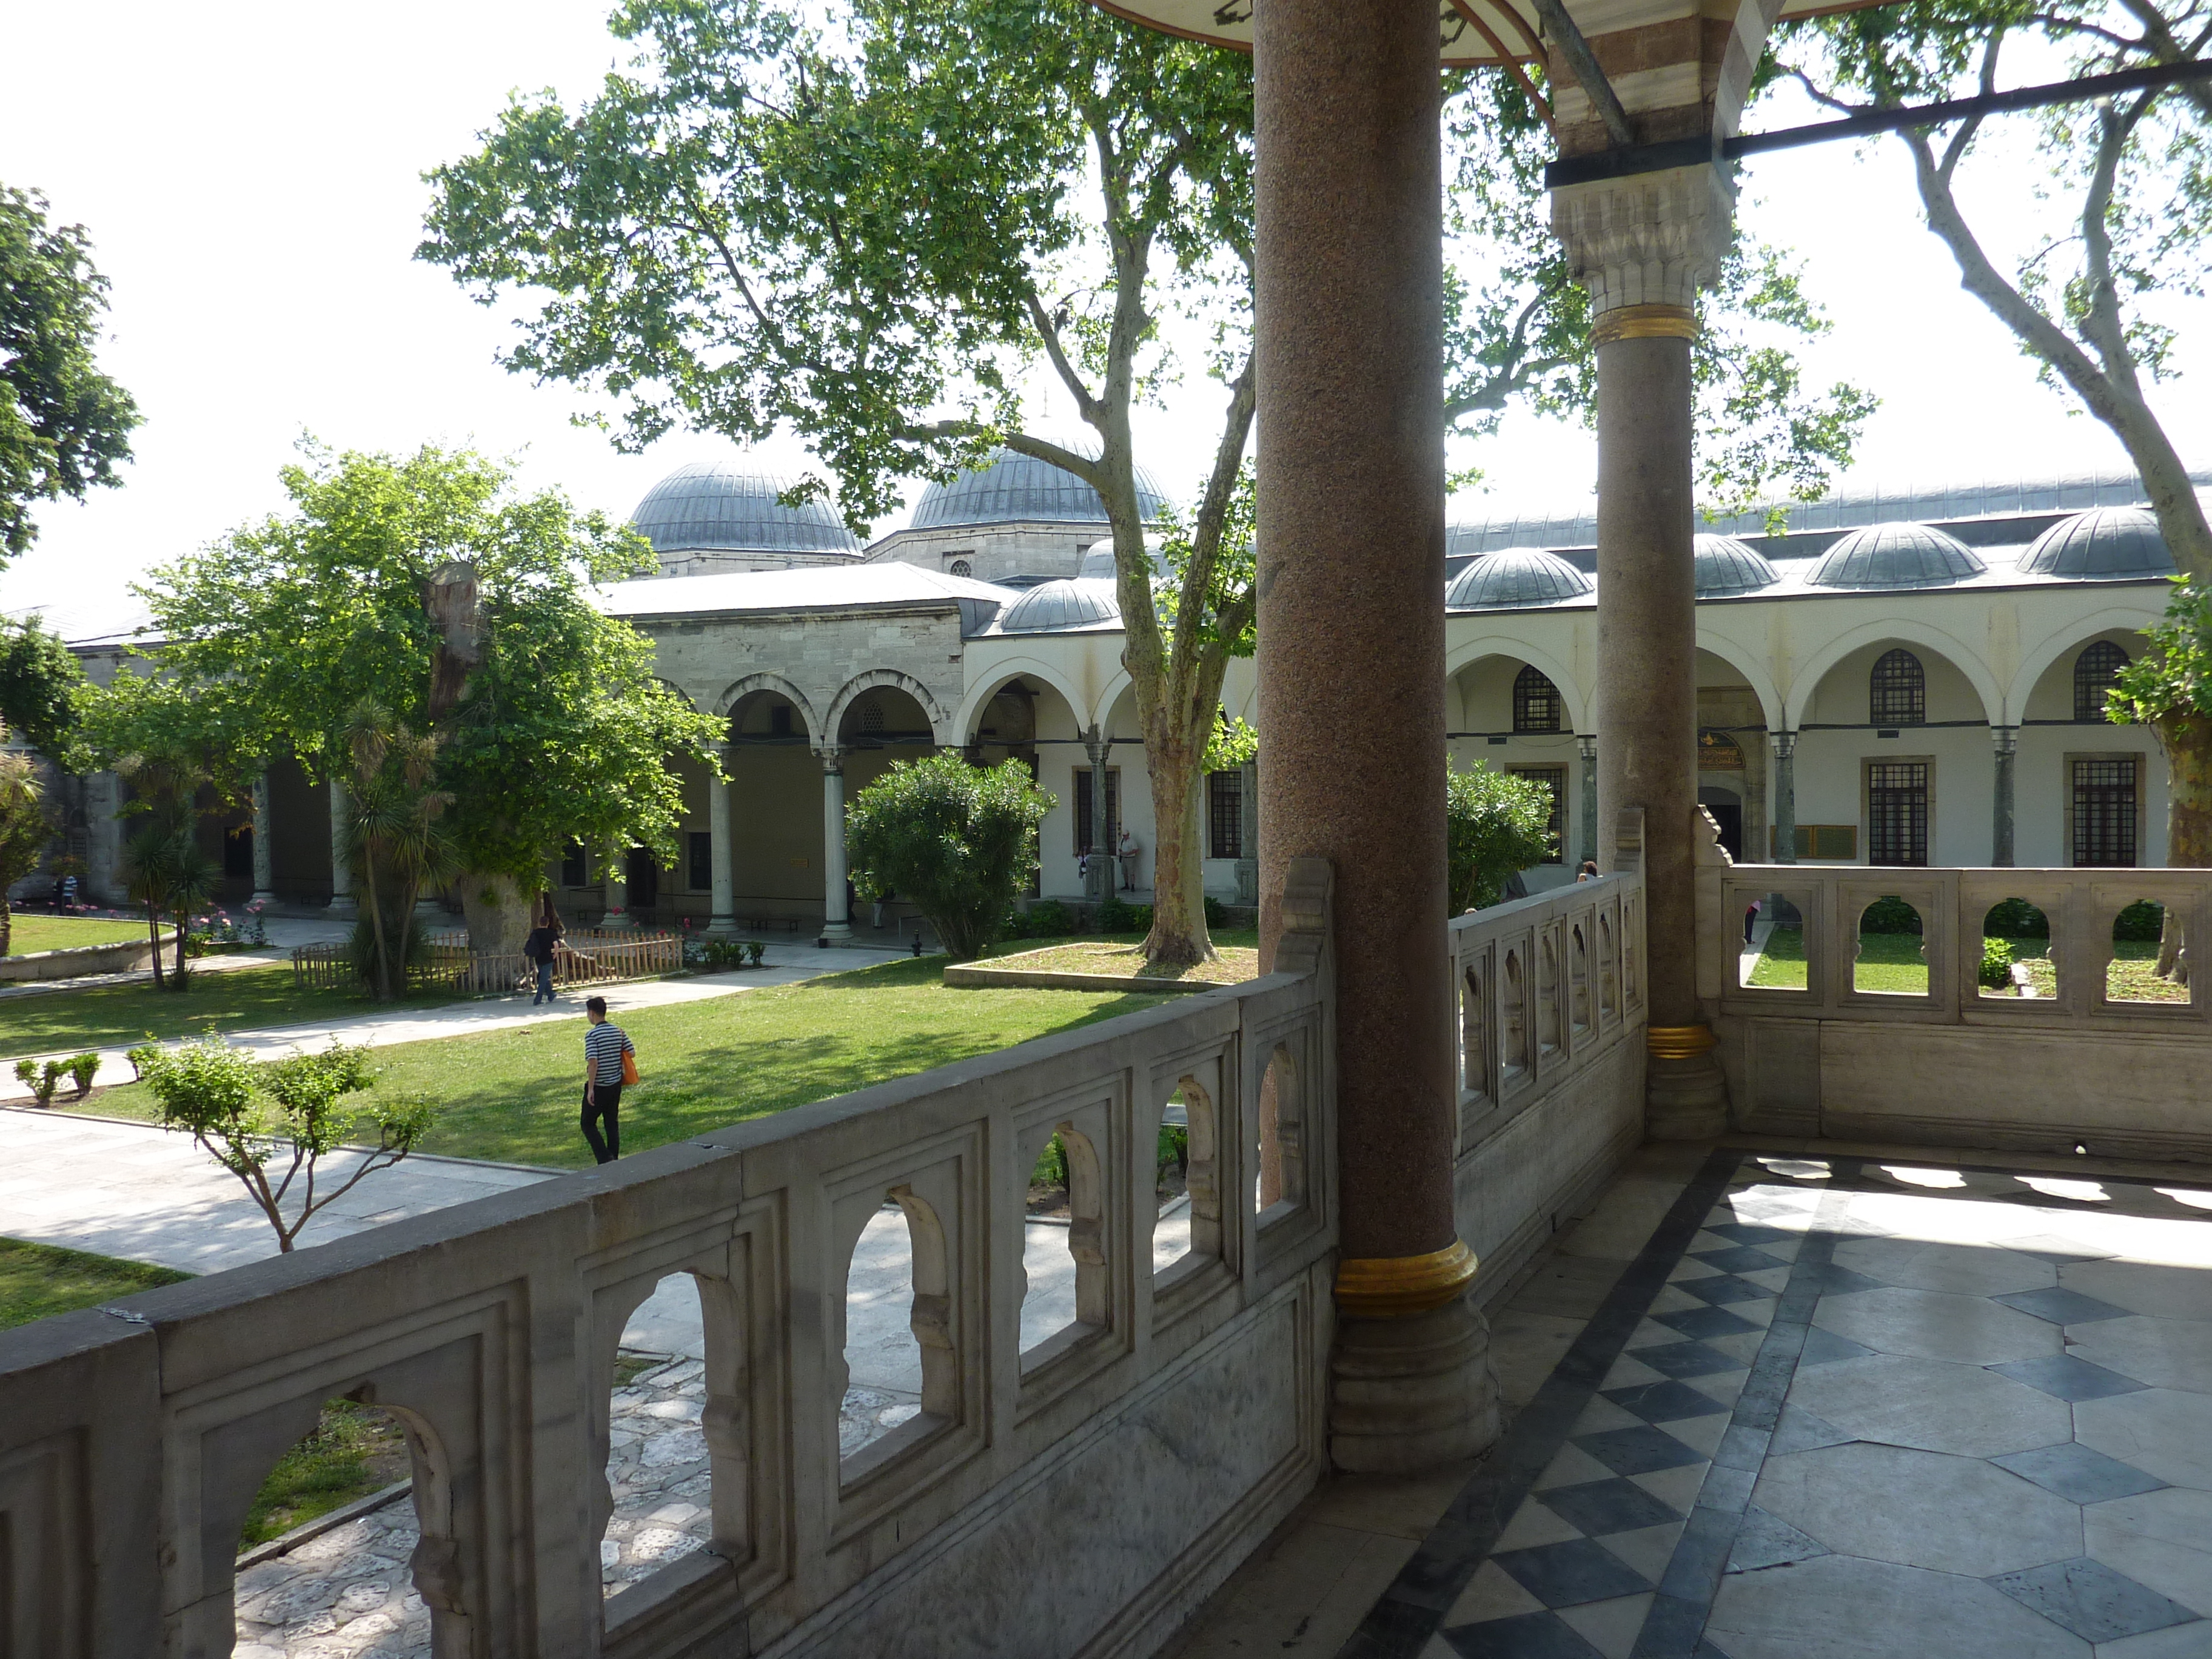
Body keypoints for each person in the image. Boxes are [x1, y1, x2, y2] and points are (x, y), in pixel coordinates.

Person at [581, 995, 634, 1165]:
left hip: (599, 1086)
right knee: (611, 1122)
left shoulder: (592, 1035)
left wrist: (590, 1089)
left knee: (587, 1123)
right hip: (615, 1084)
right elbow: (631, 1052)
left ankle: (605, 1158)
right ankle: (614, 1158)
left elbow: (593, 1062)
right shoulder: (618, 1031)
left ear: (592, 1013)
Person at [525, 899, 563, 1005]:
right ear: (548, 923)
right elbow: (556, 945)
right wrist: (555, 955)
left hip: (538, 957)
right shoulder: (551, 933)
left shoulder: (535, 933)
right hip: (548, 958)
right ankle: (537, 1000)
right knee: (543, 979)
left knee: (544, 977)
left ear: (540, 923)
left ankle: (551, 995)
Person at [1118, 828, 1141, 892]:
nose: (1125, 837)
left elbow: (1136, 850)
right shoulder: (1122, 841)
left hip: (1130, 858)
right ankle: (1126, 885)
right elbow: (1120, 848)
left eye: (1126, 835)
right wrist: (1122, 852)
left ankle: (1133, 886)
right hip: (1124, 858)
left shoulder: (1132, 841)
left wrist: (1129, 853)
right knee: (1125, 872)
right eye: (1124, 836)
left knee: (1131, 873)